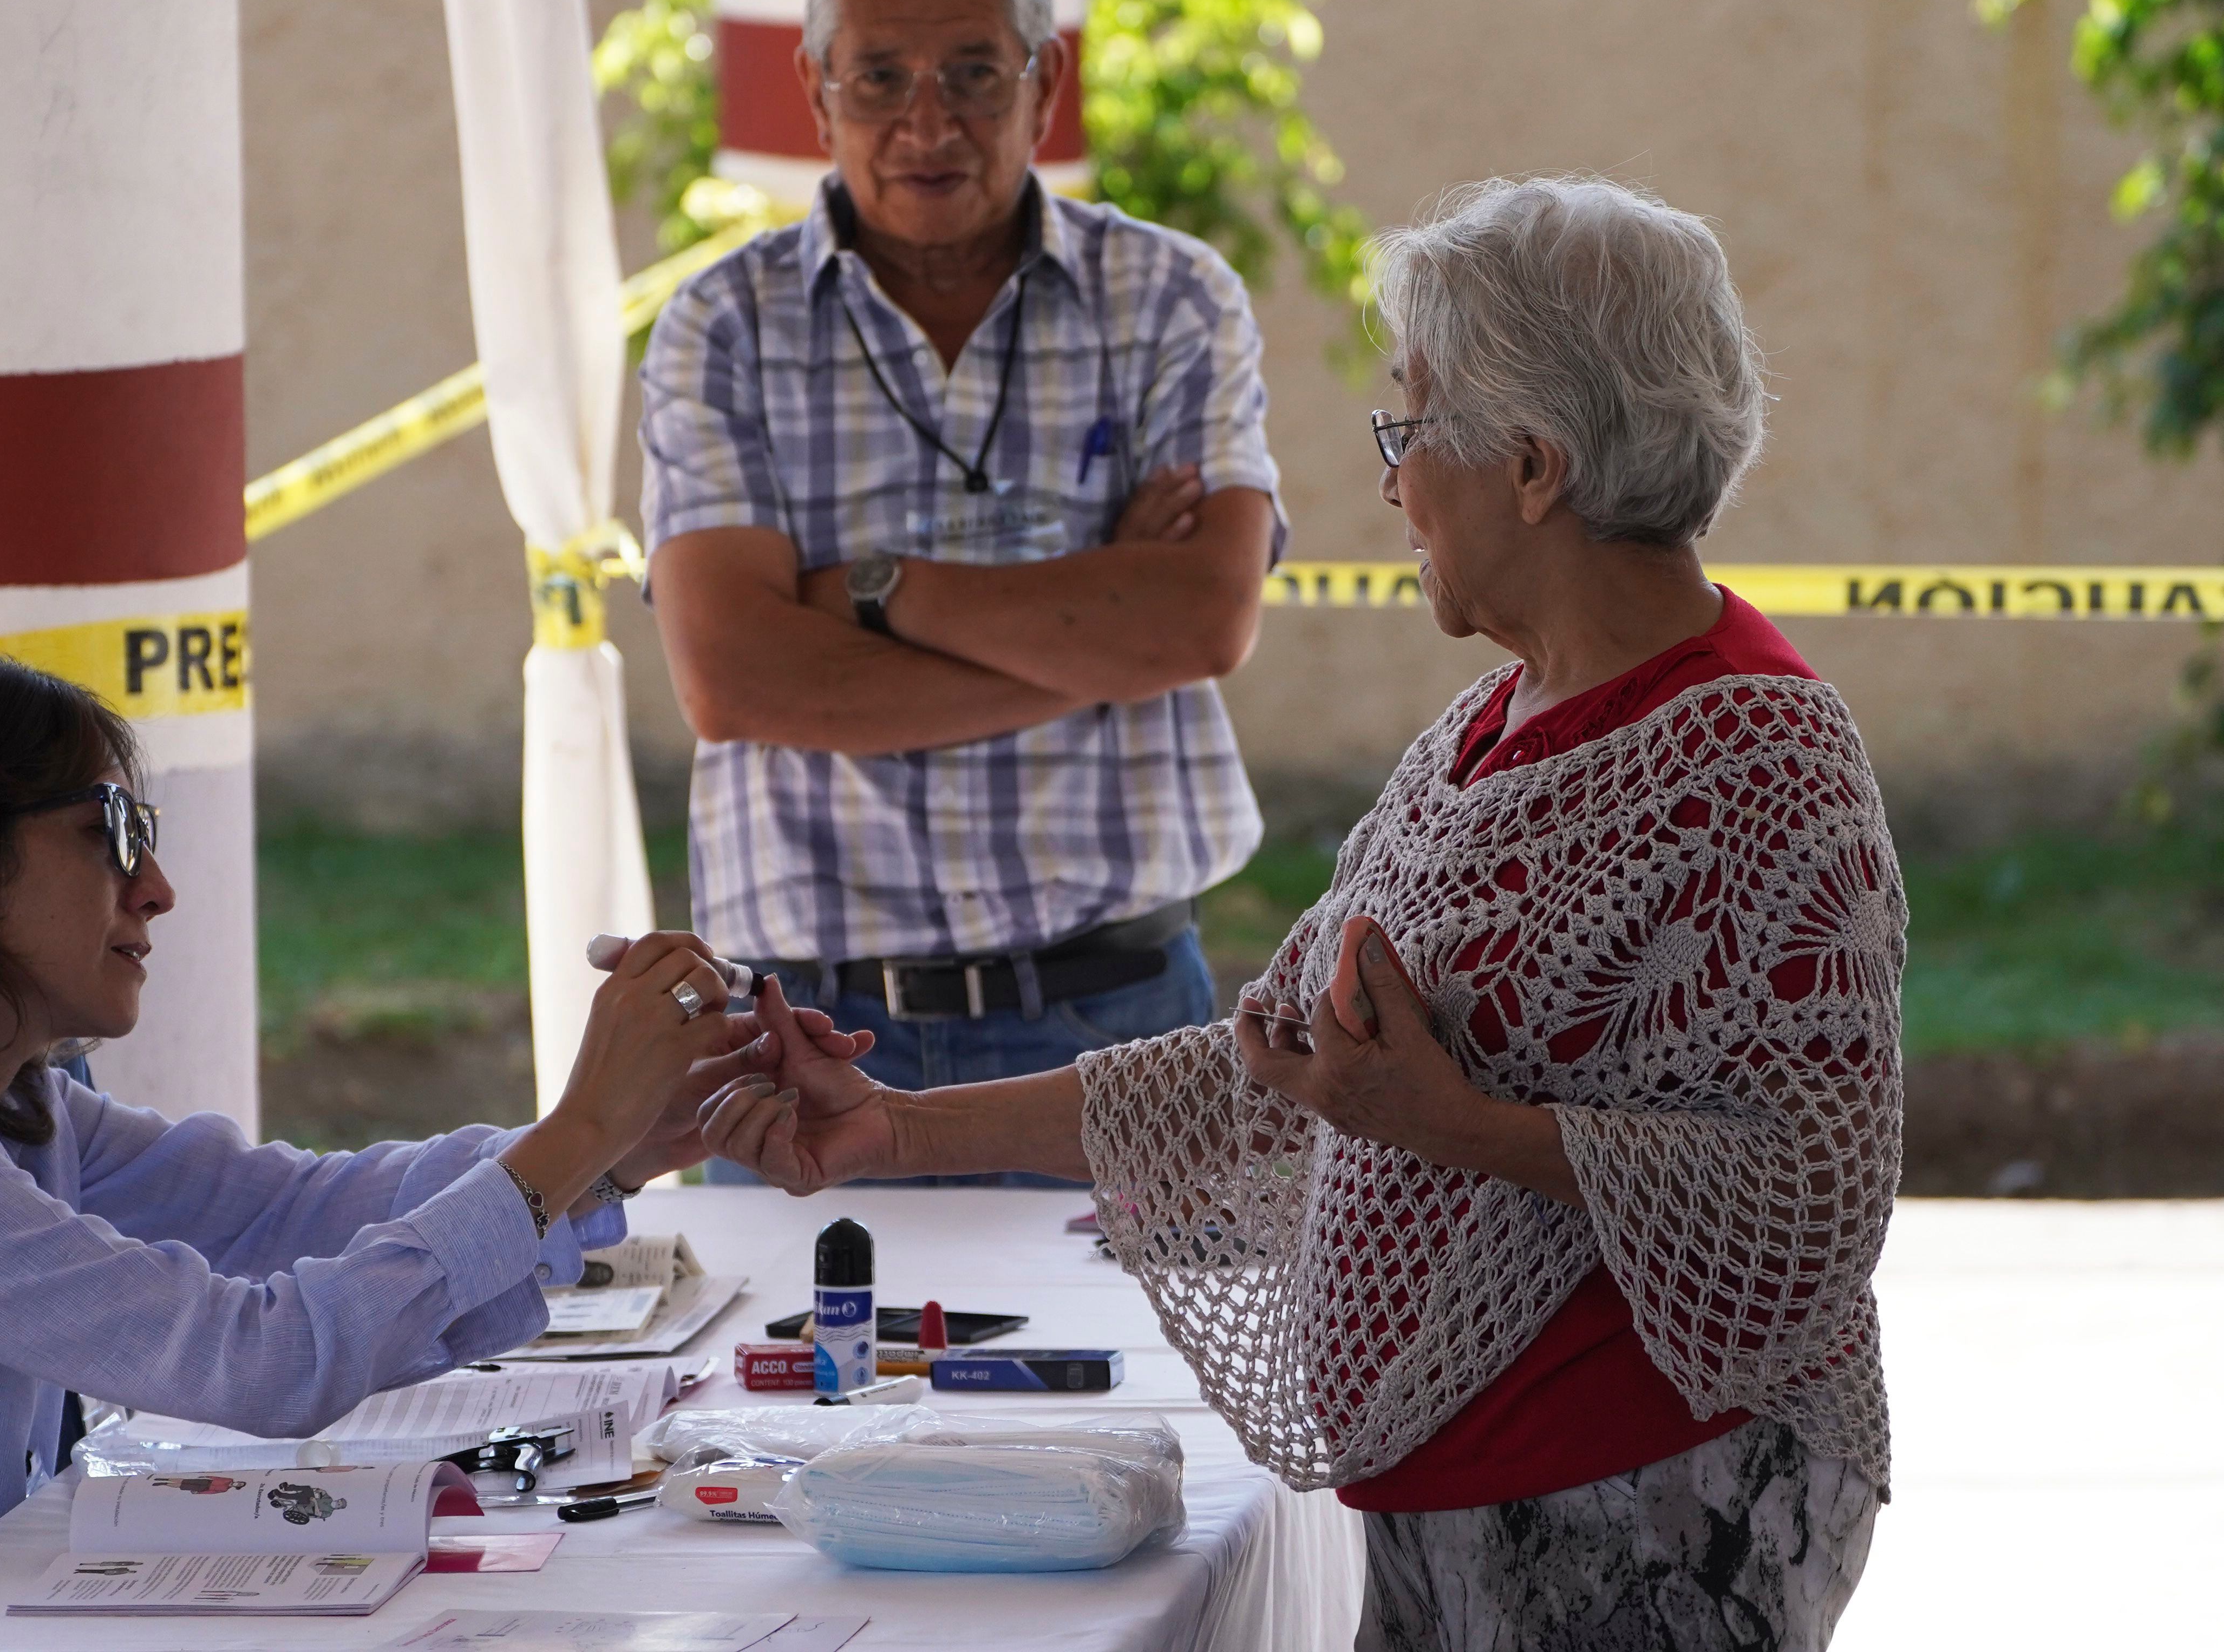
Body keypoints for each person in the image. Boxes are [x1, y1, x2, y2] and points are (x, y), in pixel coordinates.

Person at [703, 178, 1902, 1650]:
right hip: (1454, 1508)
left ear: (1530, 466)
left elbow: (1811, 1193)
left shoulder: (1755, 754)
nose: (1389, 486)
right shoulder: (1486, 727)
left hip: (1644, 1518)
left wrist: (1447, 1123)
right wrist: (887, 1129)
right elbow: (1270, 1071)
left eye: (1407, 430)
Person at [0, 654, 862, 1652]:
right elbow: (258, 1357)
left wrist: (618, 1149)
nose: (158, 887)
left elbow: (291, 1209)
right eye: (113, 832)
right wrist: (575, 1134)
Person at [638, 0, 1287, 1182]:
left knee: (1144, 1376)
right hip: (805, 1041)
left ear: (1044, 84)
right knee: (798, 1372)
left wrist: (875, 590)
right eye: (880, 76)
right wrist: (1096, 640)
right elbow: (733, 681)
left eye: (975, 75)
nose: (927, 123)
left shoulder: (1170, 299)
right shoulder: (721, 327)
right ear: (816, 93)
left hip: (1117, 1018)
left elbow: (1201, 620)